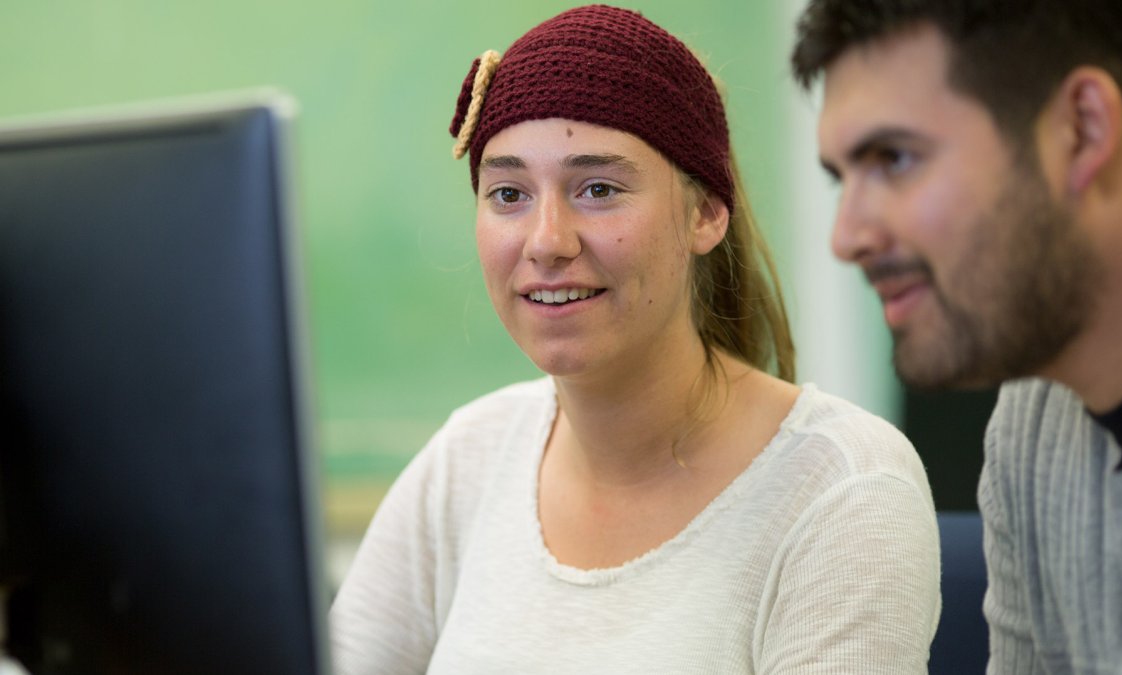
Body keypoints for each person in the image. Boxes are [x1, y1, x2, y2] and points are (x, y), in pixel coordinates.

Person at [330, 5, 940, 673]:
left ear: (706, 211)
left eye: (597, 188)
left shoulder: (840, 488)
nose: (546, 241)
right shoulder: (466, 461)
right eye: (508, 193)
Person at [791, 0, 1122, 672]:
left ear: (1083, 129)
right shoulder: (1032, 417)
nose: (847, 237)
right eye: (842, 177)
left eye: (893, 158)